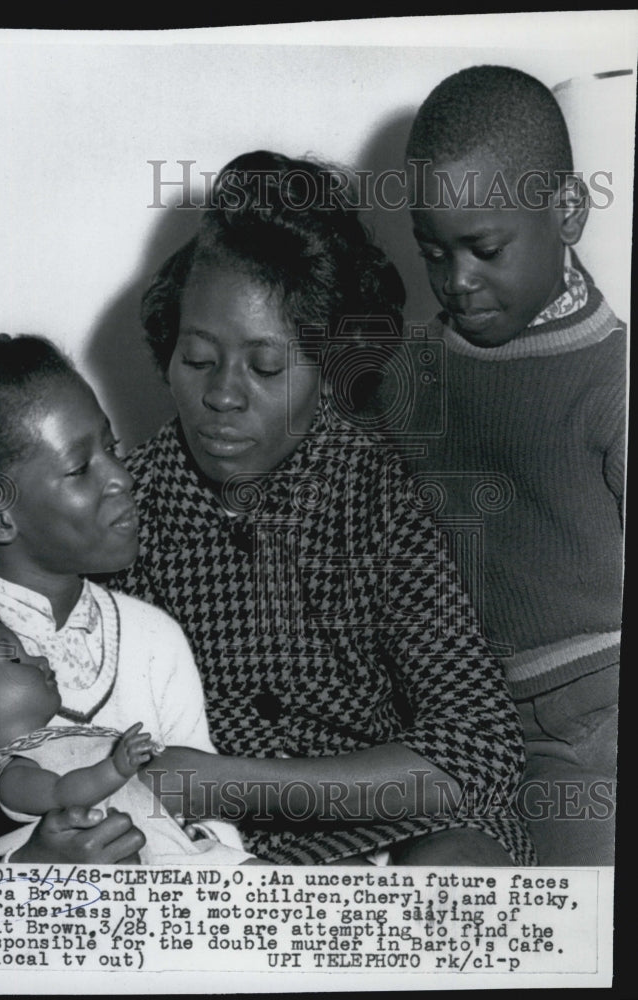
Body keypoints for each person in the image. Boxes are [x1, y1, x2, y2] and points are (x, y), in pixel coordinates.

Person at [106, 150, 536, 866]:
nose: (223, 396)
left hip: (391, 835)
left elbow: (481, 748)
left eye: (266, 368)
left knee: (464, 870)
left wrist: (235, 783)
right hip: (213, 857)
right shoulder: (126, 508)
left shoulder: (376, 498)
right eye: (198, 358)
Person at [0, 332, 248, 862]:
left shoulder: (153, 637)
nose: (122, 477)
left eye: (113, 449)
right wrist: (36, 866)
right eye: (80, 469)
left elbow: (213, 825)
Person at [399, 65, 624, 864]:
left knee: (582, 922)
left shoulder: (612, 380)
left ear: (567, 211)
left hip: (593, 718)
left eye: (484, 249)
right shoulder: (411, 368)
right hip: (461, 722)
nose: (457, 282)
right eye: (433, 252)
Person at [0, 604, 255, 864]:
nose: (39, 659)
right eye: (14, 658)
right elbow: (64, 791)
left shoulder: (58, 741)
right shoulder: (15, 777)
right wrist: (116, 768)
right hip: (164, 862)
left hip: (177, 845)